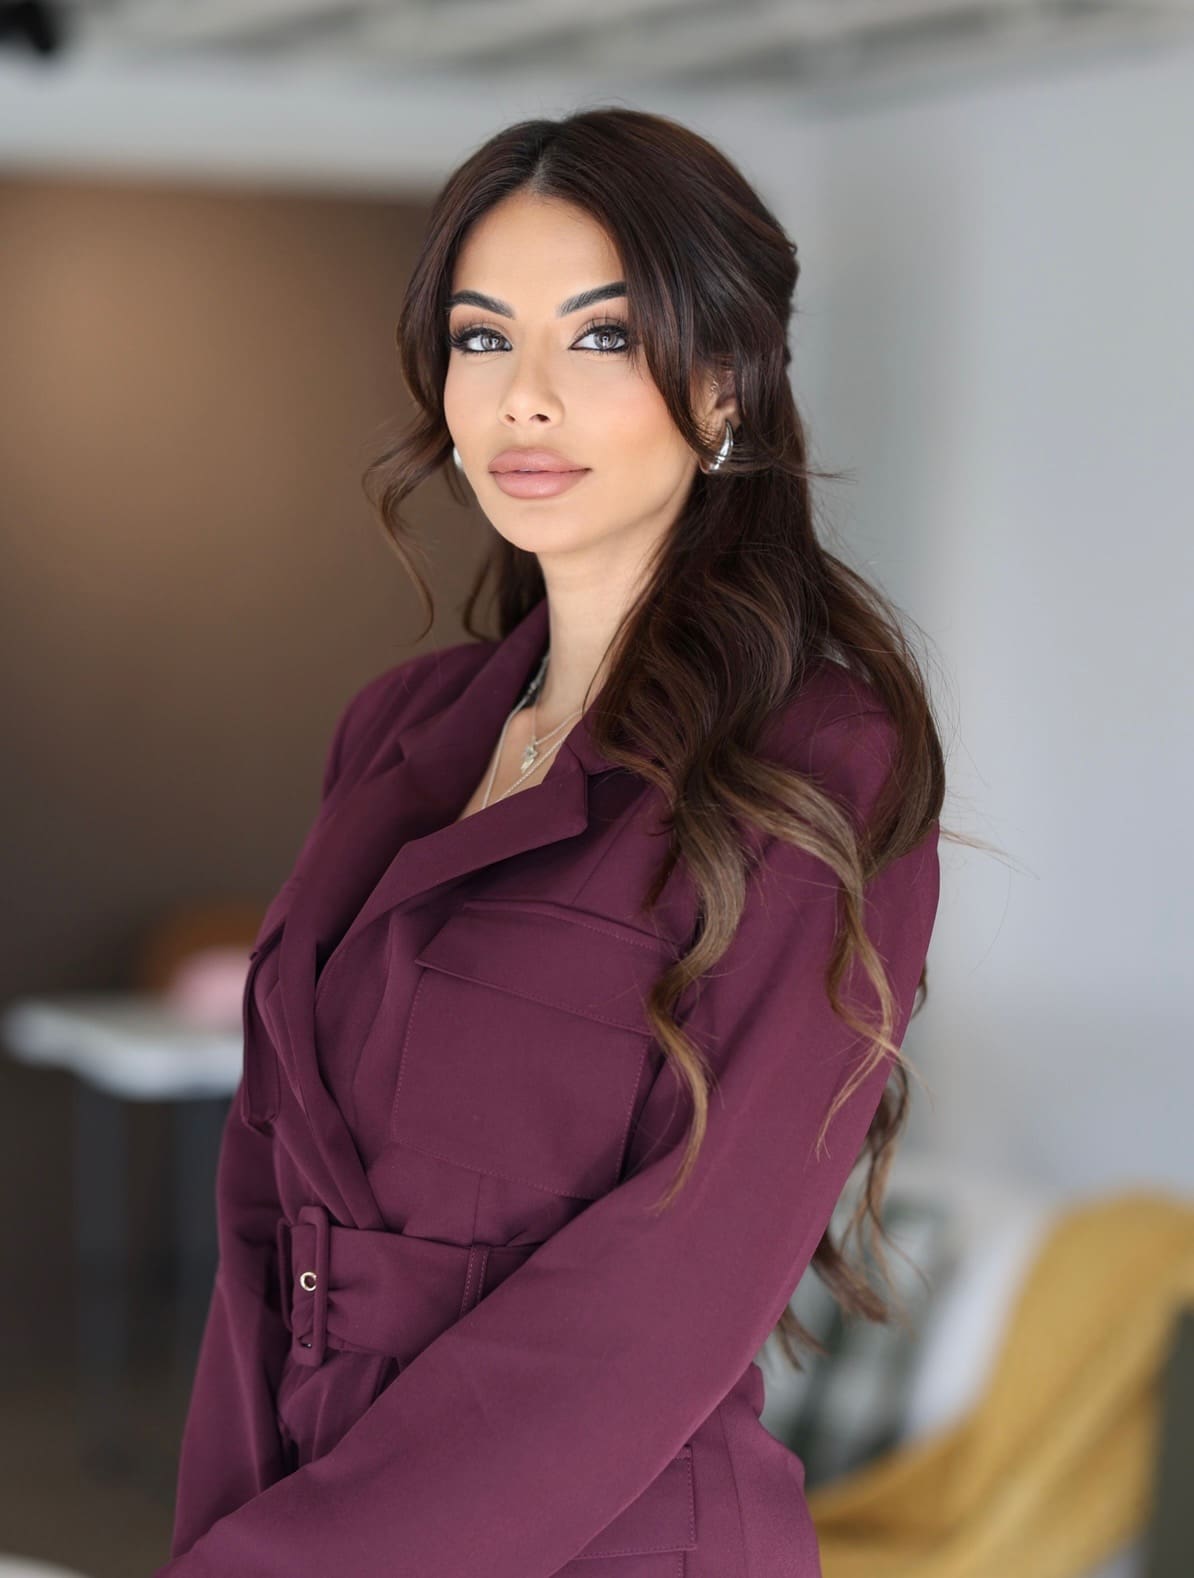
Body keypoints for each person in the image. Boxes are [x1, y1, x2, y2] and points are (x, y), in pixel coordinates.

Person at [157, 106, 949, 1578]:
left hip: (609, 1539)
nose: (523, 399)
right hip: (304, 1506)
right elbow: (266, 1211)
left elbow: (664, 1295)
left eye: (596, 339)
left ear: (722, 385)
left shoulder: (819, 762)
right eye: (479, 337)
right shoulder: (402, 729)